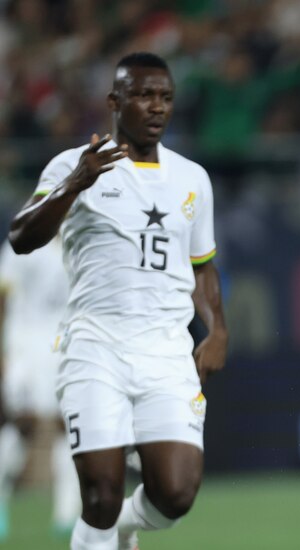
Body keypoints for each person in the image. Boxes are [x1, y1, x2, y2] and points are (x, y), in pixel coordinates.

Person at [7, 52, 228, 550]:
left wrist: (217, 331)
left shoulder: (192, 178)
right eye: (144, 95)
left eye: (165, 98)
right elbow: (21, 236)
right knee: (101, 495)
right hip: (95, 345)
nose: (157, 107)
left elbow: (202, 268)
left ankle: (128, 528)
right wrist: (75, 183)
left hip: (167, 351)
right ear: (114, 101)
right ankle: (105, 528)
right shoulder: (72, 164)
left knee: (176, 494)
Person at [0, 238, 80, 540]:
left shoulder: (79, 240)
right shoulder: (24, 239)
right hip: (23, 344)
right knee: (22, 424)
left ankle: (66, 514)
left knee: (69, 425)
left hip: (64, 343)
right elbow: (3, 297)